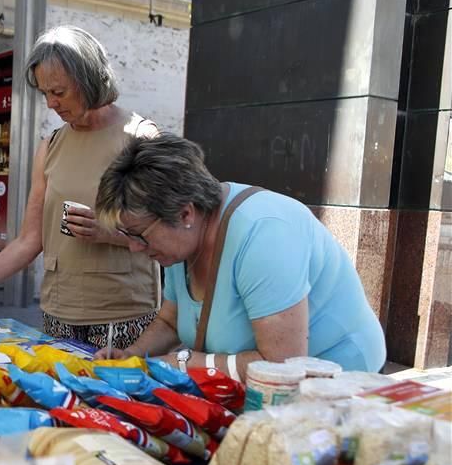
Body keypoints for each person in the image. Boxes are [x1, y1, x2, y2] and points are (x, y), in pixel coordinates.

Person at [0, 25, 161, 350]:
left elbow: (169, 234)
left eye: (59, 92)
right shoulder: (50, 146)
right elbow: (29, 241)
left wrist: (110, 233)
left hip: (122, 320)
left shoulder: (140, 138)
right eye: (45, 93)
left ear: (89, 79)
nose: (50, 104)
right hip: (57, 315)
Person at [92, 133, 386, 373]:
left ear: (184, 214)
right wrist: (131, 356)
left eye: (139, 235)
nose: (133, 247)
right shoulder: (181, 241)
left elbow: (282, 365)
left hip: (339, 377)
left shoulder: (264, 234)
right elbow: (170, 320)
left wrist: (188, 362)